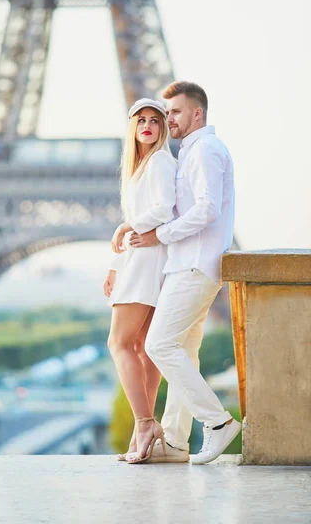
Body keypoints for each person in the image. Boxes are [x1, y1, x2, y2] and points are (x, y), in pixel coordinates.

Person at [129, 81, 241, 465]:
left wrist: (160, 234)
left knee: (159, 345)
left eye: (174, 111)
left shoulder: (205, 149)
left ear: (197, 113)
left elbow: (207, 209)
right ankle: (175, 442)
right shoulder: (191, 151)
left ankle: (217, 422)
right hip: (188, 263)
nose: (167, 118)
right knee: (184, 353)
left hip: (194, 264)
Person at [103, 97, 177, 464]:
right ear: (132, 127)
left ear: (163, 128)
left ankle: (145, 422)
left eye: (155, 120)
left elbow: (163, 208)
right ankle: (142, 430)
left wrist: (126, 225)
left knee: (119, 342)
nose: (148, 126)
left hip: (147, 260)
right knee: (145, 348)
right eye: (141, 120)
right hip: (141, 259)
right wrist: (116, 264)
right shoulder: (142, 165)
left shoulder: (161, 160)